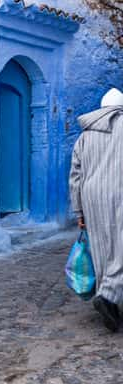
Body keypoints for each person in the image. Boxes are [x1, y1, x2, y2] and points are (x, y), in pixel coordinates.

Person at [69, 88, 123, 332]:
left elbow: (75, 176)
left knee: (101, 247)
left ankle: (107, 300)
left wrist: (79, 211)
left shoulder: (84, 135)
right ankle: (109, 296)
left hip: (91, 197)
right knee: (120, 247)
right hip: (119, 191)